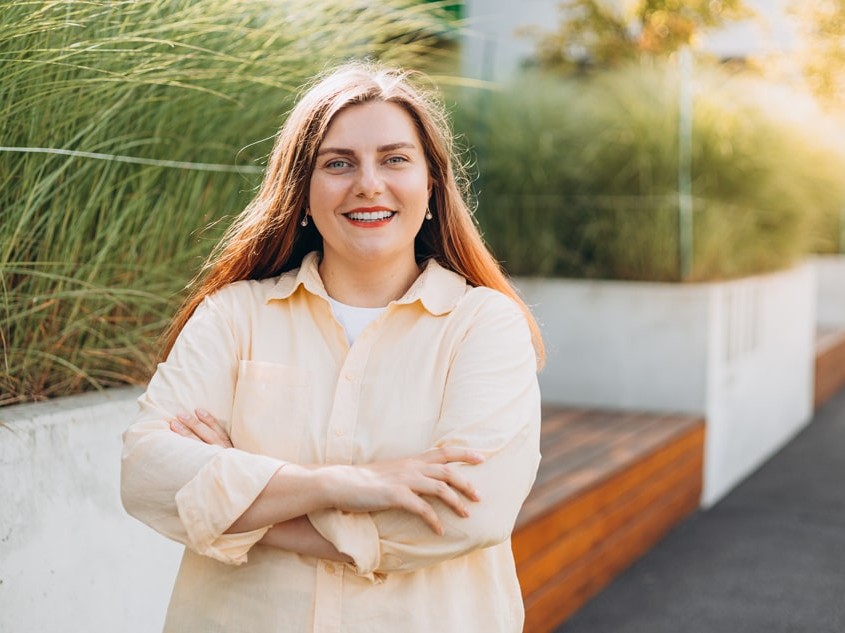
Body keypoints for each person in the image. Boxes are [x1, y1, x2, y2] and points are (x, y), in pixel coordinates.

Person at [121, 61, 545, 633]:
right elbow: (148, 473)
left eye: (394, 158)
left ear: (431, 187)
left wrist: (244, 501)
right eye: (338, 163)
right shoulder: (233, 314)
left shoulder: (485, 325)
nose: (368, 183)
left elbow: (465, 512)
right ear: (302, 191)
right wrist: (344, 483)